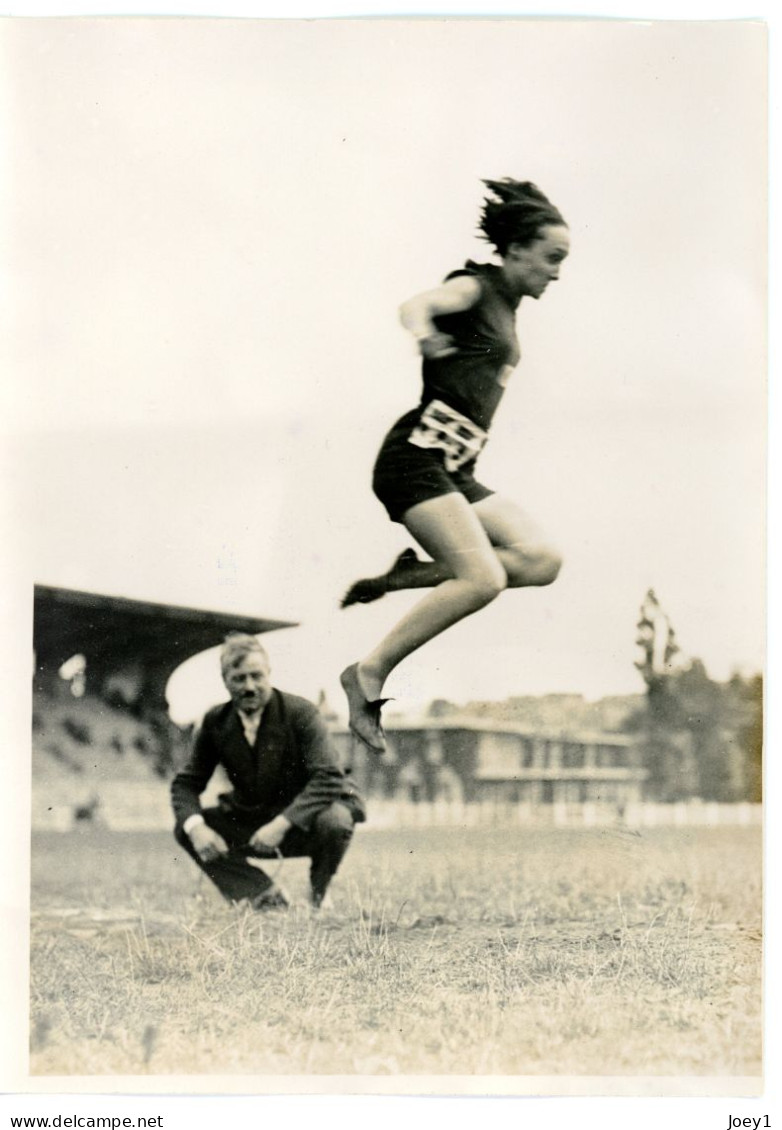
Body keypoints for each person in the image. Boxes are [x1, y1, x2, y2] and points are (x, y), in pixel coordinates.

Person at [340, 178, 570, 754]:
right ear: (516, 249)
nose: (557, 273)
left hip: (454, 471)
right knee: (485, 578)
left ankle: (413, 575)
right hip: (414, 461)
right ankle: (367, 673)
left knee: (543, 559)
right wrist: (423, 335)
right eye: (551, 258)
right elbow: (416, 305)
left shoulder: (510, 308)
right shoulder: (475, 287)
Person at [172, 633, 366, 910]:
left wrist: (282, 823)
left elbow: (329, 777)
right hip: (252, 820)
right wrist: (196, 827)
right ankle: (263, 894)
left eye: (256, 676)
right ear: (225, 680)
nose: (249, 687)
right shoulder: (216, 721)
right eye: (239, 678)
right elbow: (186, 783)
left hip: (303, 822)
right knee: (186, 827)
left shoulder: (301, 713)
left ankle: (320, 891)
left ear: (268, 674)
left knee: (335, 820)